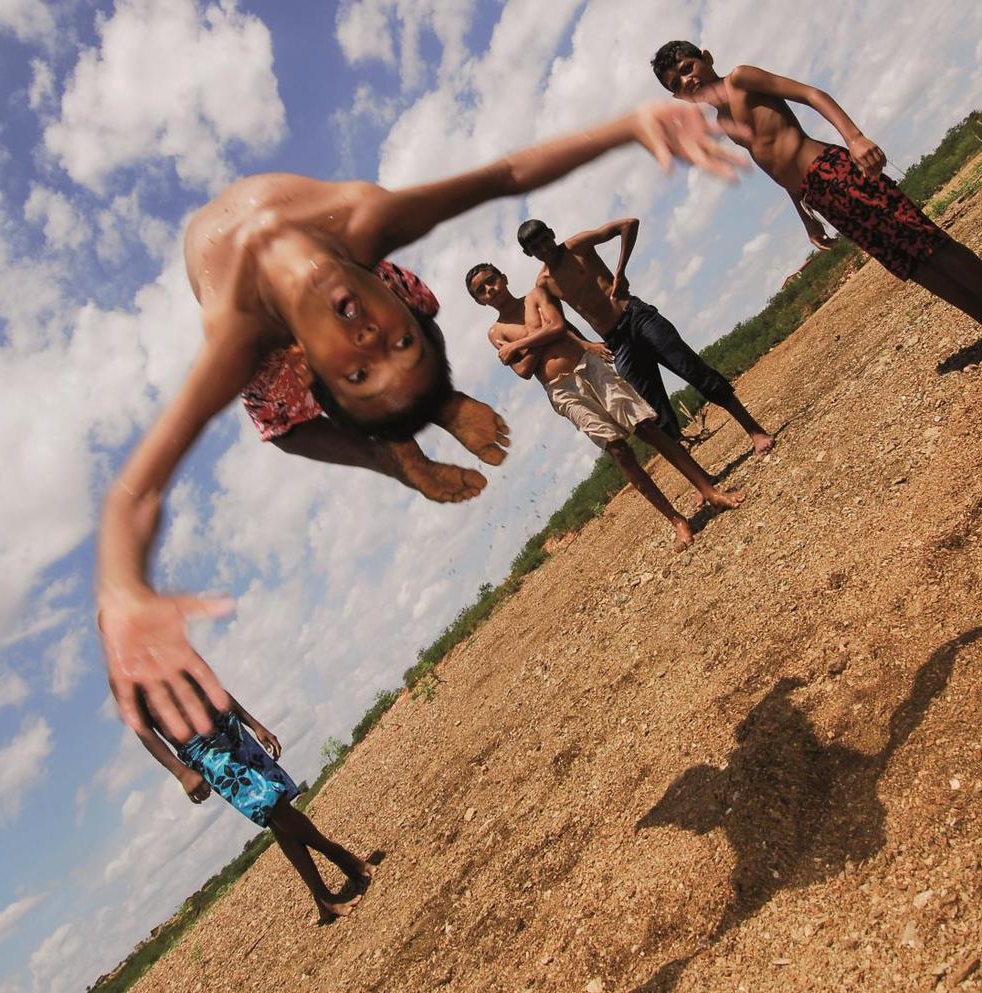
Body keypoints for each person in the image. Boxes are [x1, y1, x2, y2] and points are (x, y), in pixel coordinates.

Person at [99, 99, 751, 743]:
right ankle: (407, 442)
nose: (367, 338)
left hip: (335, 302)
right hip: (334, 303)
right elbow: (508, 175)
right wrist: (124, 591)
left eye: (364, 364)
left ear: (307, 362)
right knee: (302, 417)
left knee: (357, 390)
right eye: (381, 354)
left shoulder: (293, 291)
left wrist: (632, 123)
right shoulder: (324, 266)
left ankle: (424, 410)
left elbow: (133, 491)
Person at [650, 41, 982, 323]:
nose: (686, 80)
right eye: (676, 84)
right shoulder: (723, 121)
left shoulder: (740, 79)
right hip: (817, 196)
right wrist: (805, 217)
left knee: (926, 243)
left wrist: (855, 138)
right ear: (680, 98)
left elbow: (811, 93)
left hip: (833, 171)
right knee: (908, 263)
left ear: (706, 58)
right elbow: (771, 165)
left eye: (687, 67)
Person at [467, 263, 743, 551]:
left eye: (491, 281)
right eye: (481, 290)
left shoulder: (536, 295)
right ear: (480, 301)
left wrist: (520, 344)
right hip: (562, 390)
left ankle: (708, 490)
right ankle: (676, 520)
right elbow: (523, 370)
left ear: (503, 278)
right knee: (619, 451)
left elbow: (559, 327)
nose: (490, 290)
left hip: (588, 366)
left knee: (646, 427)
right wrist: (541, 333)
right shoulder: (496, 332)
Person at [516, 216, 775, 458]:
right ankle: (703, 480)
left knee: (692, 369)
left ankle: (755, 431)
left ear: (551, 234)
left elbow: (629, 224)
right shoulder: (544, 284)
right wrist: (586, 344)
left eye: (543, 240)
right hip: (615, 342)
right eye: (535, 247)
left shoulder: (577, 245)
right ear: (529, 254)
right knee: (651, 408)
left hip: (637, 317)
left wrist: (620, 272)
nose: (543, 248)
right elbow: (559, 324)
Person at [132, 686, 374, 923]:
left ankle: (324, 900)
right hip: (202, 750)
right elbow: (143, 729)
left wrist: (254, 724)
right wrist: (180, 772)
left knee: (276, 814)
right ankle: (344, 859)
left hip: (226, 724)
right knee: (273, 808)